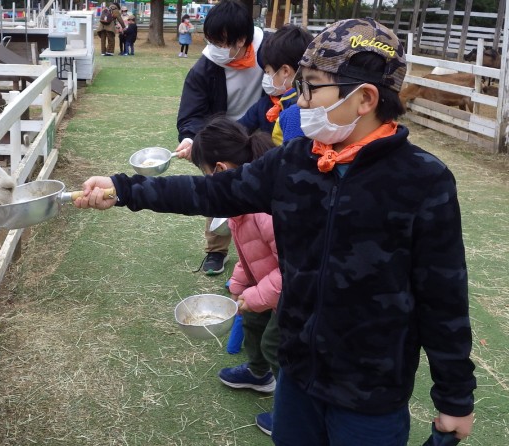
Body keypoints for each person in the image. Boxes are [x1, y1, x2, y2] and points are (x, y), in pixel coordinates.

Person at [75, 17, 476, 445]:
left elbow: (443, 295)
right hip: (297, 374)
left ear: (365, 98)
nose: (300, 102)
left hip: (370, 393)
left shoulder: (423, 181)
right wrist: (125, 188)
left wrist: (455, 398)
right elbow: (211, 193)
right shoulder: (296, 161)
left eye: (311, 87)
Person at [192, 117, 281, 436]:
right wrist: (240, 285)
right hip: (267, 283)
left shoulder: (266, 209)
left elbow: (292, 269)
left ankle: (292, 412)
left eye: (205, 175)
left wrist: (255, 296)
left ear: (219, 169)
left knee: (277, 344)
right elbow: (249, 253)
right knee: (255, 324)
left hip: (297, 290)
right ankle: (259, 375)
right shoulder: (240, 199)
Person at [174, 0, 265, 275]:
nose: (215, 49)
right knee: (219, 189)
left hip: (261, 131)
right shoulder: (205, 67)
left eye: (222, 42)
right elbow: (190, 113)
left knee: (264, 193)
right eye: (211, 40)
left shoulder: (269, 50)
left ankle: (266, 253)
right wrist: (191, 139)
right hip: (225, 134)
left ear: (242, 39)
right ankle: (216, 250)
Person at [238, 24, 313, 145]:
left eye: (268, 72)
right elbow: (241, 127)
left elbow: (289, 157)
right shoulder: (267, 103)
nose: (266, 77)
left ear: (285, 71)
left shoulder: (296, 112)